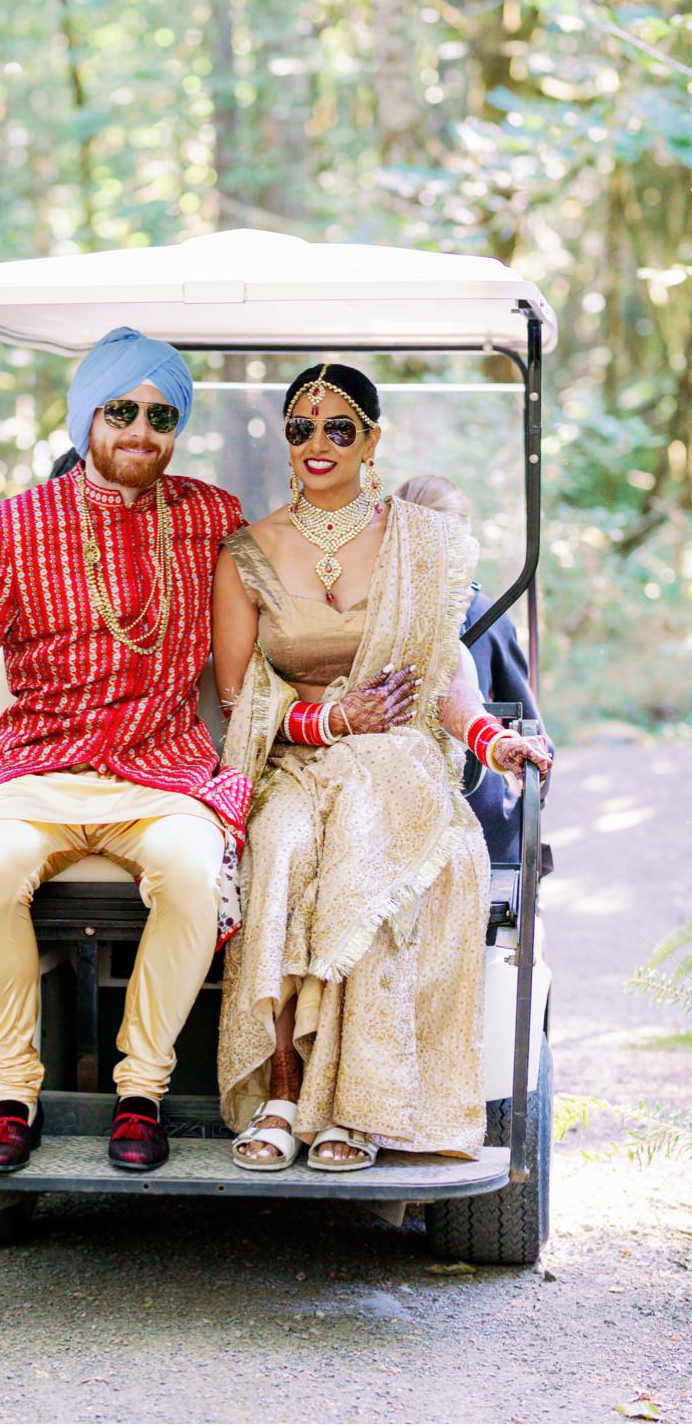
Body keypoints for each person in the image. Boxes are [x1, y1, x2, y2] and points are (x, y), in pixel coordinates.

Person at [0, 327, 252, 1174]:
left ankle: (141, 1091)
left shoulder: (211, 518)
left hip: (163, 769)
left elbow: (290, 587)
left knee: (192, 871)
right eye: (122, 410)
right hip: (39, 768)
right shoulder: (17, 526)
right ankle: (13, 1094)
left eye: (161, 414)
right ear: (86, 418)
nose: (141, 431)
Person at [214, 364, 554, 1173]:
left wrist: (493, 742)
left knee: (365, 833)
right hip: (292, 760)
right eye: (302, 428)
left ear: (373, 438)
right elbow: (238, 700)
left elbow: (444, 680)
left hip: (397, 761)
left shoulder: (423, 541)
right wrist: (330, 718)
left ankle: (356, 1104)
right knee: (284, 845)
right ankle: (284, 1094)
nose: (319, 444)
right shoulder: (249, 552)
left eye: (339, 427)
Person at [394, 474, 551, 871]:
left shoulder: (486, 618)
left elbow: (531, 727)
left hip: (471, 791)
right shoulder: (383, 613)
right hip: (413, 793)